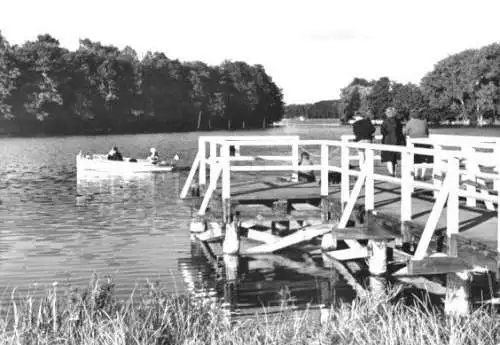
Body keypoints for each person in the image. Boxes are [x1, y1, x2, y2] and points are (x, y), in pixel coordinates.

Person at [405, 109, 433, 179]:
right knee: (424, 160)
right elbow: (427, 132)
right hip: (425, 143)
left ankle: (416, 174)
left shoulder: (409, 123)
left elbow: (405, 132)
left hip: (415, 143)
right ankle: (423, 175)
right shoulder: (424, 122)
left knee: (415, 159)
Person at [381, 107, 405, 176]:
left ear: (387, 113)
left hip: (387, 141)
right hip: (397, 141)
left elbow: (382, 132)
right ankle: (394, 172)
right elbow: (400, 132)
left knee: (389, 158)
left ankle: (391, 173)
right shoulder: (398, 121)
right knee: (394, 158)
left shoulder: (385, 121)